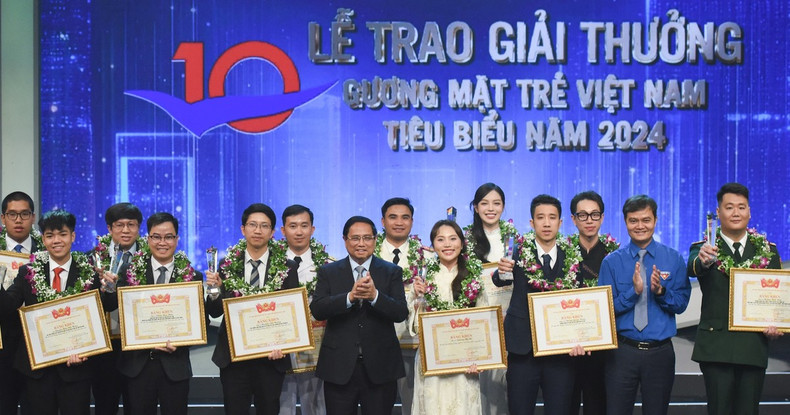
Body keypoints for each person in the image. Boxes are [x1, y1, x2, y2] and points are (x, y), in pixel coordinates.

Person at [688, 183, 782, 415]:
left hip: (752, 347)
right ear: (718, 212)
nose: (736, 213)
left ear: (749, 211)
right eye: (729, 207)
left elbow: (776, 299)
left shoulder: (768, 251)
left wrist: (776, 324)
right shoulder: (705, 249)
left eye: (741, 207)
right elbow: (693, 267)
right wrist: (703, 260)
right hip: (716, 347)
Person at [0, 209, 103, 415]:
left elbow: (103, 309)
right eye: (50, 235)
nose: (56, 241)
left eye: (62, 234)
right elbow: (8, 307)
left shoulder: (89, 272)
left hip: (76, 369)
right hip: (37, 370)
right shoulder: (28, 271)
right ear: (43, 240)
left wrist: (109, 288)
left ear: (72, 236)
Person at [598, 195, 691, 415]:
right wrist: (634, 292)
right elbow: (604, 310)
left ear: (655, 220)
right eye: (633, 220)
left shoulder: (674, 259)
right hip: (622, 353)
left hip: (660, 353)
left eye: (646, 220)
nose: (640, 226)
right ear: (625, 222)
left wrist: (661, 292)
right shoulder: (611, 262)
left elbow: (681, 304)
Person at [493, 194, 583, 415]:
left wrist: (580, 336)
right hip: (523, 349)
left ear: (560, 222)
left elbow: (579, 301)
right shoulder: (516, 251)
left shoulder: (572, 255)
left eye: (552, 217)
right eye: (540, 217)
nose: (546, 223)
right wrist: (501, 271)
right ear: (532, 222)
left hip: (560, 351)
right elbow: (500, 278)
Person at [205, 203, 299, 415]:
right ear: (243, 229)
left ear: (272, 232)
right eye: (252, 225)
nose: (258, 231)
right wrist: (215, 291)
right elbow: (215, 312)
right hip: (234, 357)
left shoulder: (288, 267)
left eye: (264, 226)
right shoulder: (227, 265)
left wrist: (283, 344)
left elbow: (291, 311)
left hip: (271, 357)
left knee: (269, 409)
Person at [310, 216, 408, 415]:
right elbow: (318, 309)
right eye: (355, 238)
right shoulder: (328, 272)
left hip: (380, 367)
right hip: (339, 367)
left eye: (367, 238)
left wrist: (375, 296)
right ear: (345, 240)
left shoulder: (391, 271)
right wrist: (350, 297)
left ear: (375, 240)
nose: (361, 243)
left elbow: (400, 312)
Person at [116, 212, 201, 415]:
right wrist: (108, 288)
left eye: (168, 237)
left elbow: (201, 321)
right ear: (148, 239)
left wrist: (181, 342)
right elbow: (117, 309)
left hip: (175, 366)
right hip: (138, 366)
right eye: (156, 237)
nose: (162, 242)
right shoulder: (128, 271)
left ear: (177, 239)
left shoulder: (192, 276)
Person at [409, 220, 484, 414]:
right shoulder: (424, 277)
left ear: (462, 243)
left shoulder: (474, 276)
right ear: (433, 245)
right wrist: (417, 298)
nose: (447, 244)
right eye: (440, 239)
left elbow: (483, 319)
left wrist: (480, 358)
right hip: (432, 357)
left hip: (465, 360)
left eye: (453, 239)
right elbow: (416, 327)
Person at [463, 183, 516, 415]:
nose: (491, 209)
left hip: (510, 316)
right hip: (479, 318)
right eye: (484, 203)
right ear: (476, 207)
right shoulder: (464, 241)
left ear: (503, 206)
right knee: (480, 385)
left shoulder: (515, 240)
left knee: (506, 386)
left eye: (496, 203)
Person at [88, 202, 145, 415]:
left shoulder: (150, 257)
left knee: (138, 405)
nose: (126, 230)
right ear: (109, 228)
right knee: (105, 404)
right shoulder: (92, 260)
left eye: (131, 224)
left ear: (139, 228)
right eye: (119, 225)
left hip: (138, 347)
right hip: (105, 348)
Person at [568, 191, 618, 414]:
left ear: (602, 217)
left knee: (597, 406)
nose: (589, 220)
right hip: (567, 347)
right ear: (573, 219)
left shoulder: (614, 255)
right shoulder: (562, 252)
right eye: (583, 215)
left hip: (601, 348)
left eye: (594, 214)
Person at [375, 197, 426, 415]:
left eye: (405, 217)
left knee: (413, 404)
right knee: (377, 405)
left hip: (413, 342)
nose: (399, 222)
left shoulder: (427, 257)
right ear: (382, 221)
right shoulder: (367, 254)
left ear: (412, 222)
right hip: (377, 342)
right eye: (392, 217)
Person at [278, 204, 329, 415]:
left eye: (304, 226)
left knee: (317, 408)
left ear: (312, 229)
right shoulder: (272, 265)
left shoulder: (328, 266)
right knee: (281, 407)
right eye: (293, 226)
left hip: (317, 349)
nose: (299, 232)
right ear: (283, 230)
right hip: (280, 348)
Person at [0, 191, 41, 415]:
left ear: (33, 217)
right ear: (3, 218)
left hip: (36, 346)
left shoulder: (48, 250)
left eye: (24, 214)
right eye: (12, 214)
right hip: (2, 343)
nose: (18, 220)